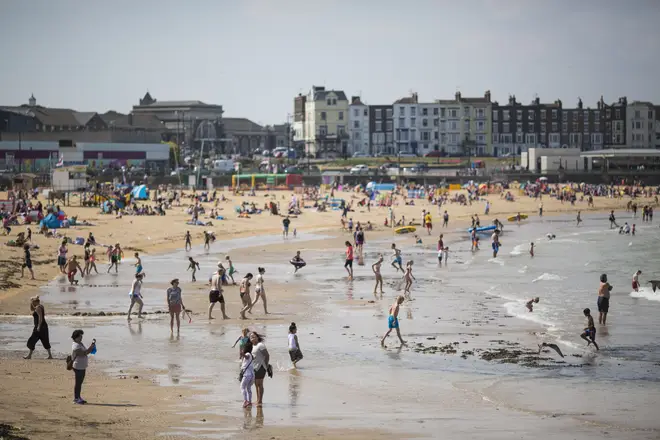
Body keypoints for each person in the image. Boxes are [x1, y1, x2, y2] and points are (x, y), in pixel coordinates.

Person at [70, 329, 96, 404]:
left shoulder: (80, 343)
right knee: (78, 383)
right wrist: (92, 346)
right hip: (78, 366)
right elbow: (84, 353)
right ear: (76, 337)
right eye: (80, 336)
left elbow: (86, 352)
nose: (81, 338)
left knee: (80, 383)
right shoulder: (76, 346)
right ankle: (76, 398)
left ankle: (78, 397)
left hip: (82, 366)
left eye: (81, 336)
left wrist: (92, 346)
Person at [250, 332, 270, 407]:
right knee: (256, 384)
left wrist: (266, 365)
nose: (252, 338)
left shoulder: (260, 345)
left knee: (260, 384)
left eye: (254, 337)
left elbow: (267, 355)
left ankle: (260, 401)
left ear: (257, 337)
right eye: (251, 337)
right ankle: (257, 399)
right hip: (254, 367)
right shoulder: (252, 346)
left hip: (261, 367)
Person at [239, 343, 255, 408]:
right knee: (248, 388)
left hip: (247, 374)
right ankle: (249, 401)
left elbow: (246, 356)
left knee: (242, 387)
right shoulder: (251, 354)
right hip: (251, 374)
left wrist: (242, 354)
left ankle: (245, 400)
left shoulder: (248, 354)